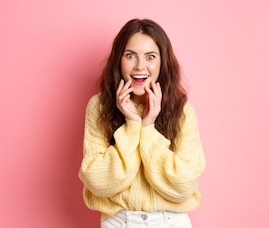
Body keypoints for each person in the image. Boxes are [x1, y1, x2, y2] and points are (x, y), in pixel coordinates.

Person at [78, 18, 206, 228]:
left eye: (150, 57)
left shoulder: (182, 111)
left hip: (171, 222)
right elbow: (99, 182)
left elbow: (183, 184)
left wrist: (148, 128)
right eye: (130, 56)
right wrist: (132, 124)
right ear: (119, 60)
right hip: (119, 222)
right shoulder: (99, 107)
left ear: (162, 62)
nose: (140, 66)